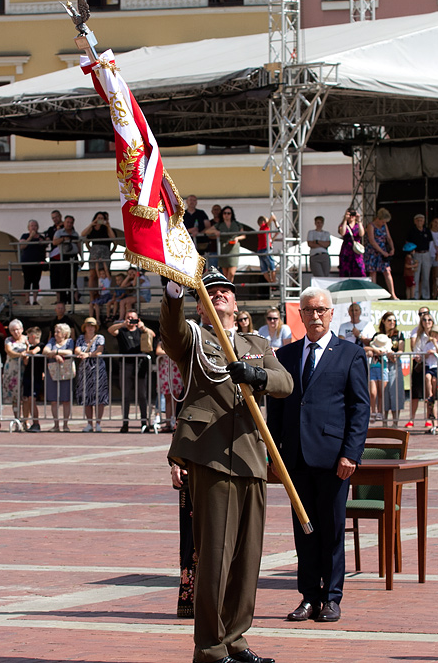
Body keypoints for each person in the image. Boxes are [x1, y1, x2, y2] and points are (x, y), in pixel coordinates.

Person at [159, 267, 293, 663]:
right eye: (210, 292)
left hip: (251, 454)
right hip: (210, 455)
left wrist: (256, 375)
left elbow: (284, 383)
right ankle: (211, 649)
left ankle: (237, 640)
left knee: (247, 557)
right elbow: (171, 333)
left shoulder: (256, 342)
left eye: (225, 292)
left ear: (236, 303)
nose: (218, 295)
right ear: (200, 305)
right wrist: (171, 292)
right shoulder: (195, 339)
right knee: (215, 556)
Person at [268, 286, 368, 625]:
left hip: (333, 459)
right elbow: (277, 411)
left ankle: (332, 598)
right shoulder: (287, 355)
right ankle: (309, 596)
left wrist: (351, 454)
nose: (314, 316)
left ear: (331, 313)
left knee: (332, 530)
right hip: (296, 458)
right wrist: (275, 455)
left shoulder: (350, 354)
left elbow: (359, 409)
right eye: (308, 310)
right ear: (300, 314)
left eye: (320, 310)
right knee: (304, 531)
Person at [110, 310, 155, 433]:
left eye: (133, 318)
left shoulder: (141, 330)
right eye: (128, 317)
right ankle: (125, 423)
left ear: (138, 319)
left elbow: (153, 335)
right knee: (125, 395)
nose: (130, 319)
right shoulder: (122, 331)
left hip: (140, 366)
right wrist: (122, 324)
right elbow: (111, 330)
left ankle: (144, 423)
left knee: (142, 395)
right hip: (126, 365)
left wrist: (143, 327)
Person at [170, 461, 196, 618]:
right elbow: (179, 435)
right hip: (192, 466)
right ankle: (191, 599)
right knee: (191, 538)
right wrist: (176, 463)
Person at [75, 317, 109, 432]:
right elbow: (77, 350)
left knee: (99, 397)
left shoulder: (99, 338)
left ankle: (98, 423)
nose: (90, 328)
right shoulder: (80, 338)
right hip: (85, 371)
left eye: (92, 326)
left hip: (98, 370)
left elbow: (99, 351)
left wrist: (88, 355)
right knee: (87, 397)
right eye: (88, 325)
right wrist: (81, 353)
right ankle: (89, 423)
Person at [43, 323, 74, 431]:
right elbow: (45, 351)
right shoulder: (52, 341)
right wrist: (55, 356)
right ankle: (56, 425)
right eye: (55, 331)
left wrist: (56, 351)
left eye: (58, 332)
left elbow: (70, 352)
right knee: (54, 400)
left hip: (65, 372)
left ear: (65, 333)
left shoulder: (70, 341)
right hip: (52, 372)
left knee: (66, 399)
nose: (55, 334)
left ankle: (65, 425)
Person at [365, 208, 397, 299]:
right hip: (373, 251)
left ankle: (392, 294)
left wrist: (392, 248)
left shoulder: (384, 226)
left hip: (383, 250)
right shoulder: (371, 226)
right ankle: (373, 295)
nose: (383, 223)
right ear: (378, 218)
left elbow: (389, 238)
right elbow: (372, 241)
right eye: (382, 221)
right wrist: (382, 252)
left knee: (387, 271)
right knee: (373, 272)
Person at [81, 211, 113, 301]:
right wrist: (92, 224)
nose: (100, 220)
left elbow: (113, 238)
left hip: (104, 252)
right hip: (94, 252)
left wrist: (108, 226)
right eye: (98, 218)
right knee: (92, 274)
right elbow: (83, 234)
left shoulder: (106, 228)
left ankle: (103, 295)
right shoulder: (92, 228)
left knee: (104, 273)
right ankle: (92, 297)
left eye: (101, 218)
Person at [3, 320, 27, 429]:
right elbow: (9, 351)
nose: (16, 332)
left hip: (25, 369)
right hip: (12, 370)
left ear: (22, 329)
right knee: (15, 397)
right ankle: (17, 418)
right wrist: (19, 354)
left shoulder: (26, 339)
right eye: (13, 330)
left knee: (25, 396)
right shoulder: (8, 340)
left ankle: (25, 420)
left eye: (17, 329)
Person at [51, 215, 80, 303]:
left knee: (73, 278)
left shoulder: (75, 233)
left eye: (71, 222)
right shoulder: (59, 232)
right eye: (67, 222)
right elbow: (54, 242)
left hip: (74, 256)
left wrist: (81, 257)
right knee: (63, 278)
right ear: (64, 222)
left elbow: (78, 245)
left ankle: (73, 299)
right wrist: (63, 239)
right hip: (64, 257)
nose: (69, 224)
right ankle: (63, 299)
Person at [405, 213, 434, 299]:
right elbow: (407, 243)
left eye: (421, 220)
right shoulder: (411, 231)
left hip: (426, 254)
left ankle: (426, 296)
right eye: (418, 220)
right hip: (416, 254)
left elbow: (431, 243)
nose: (419, 222)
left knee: (426, 276)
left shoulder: (427, 231)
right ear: (415, 221)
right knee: (415, 276)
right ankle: (415, 296)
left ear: (424, 221)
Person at [19, 220, 47, 305]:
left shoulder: (41, 237)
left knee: (36, 281)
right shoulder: (25, 236)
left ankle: (35, 300)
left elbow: (45, 246)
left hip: (38, 263)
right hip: (27, 262)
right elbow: (22, 246)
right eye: (32, 226)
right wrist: (30, 237)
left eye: (35, 225)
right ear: (28, 227)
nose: (33, 227)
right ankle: (27, 300)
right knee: (27, 281)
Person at [22, 327, 44, 432]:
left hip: (36, 376)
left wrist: (27, 351)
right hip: (28, 375)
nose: (28, 339)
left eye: (29, 337)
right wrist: (27, 349)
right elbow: (26, 362)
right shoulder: (29, 348)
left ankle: (36, 422)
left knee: (32, 400)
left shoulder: (40, 346)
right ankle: (28, 421)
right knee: (27, 399)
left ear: (33, 337)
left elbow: (34, 352)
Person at [217, 205, 245, 282]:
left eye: (229, 213)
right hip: (224, 248)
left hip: (234, 249)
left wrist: (237, 238)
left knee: (231, 273)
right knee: (225, 274)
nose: (226, 215)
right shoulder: (219, 224)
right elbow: (208, 231)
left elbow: (243, 235)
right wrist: (215, 232)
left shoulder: (237, 224)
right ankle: (227, 290)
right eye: (225, 213)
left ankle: (230, 290)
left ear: (231, 214)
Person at [337, 208, 365, 278]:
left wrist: (359, 220)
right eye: (350, 214)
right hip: (347, 249)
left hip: (356, 250)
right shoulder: (343, 225)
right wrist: (345, 220)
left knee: (359, 268)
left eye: (353, 214)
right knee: (345, 269)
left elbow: (361, 234)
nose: (352, 217)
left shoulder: (358, 225)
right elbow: (342, 233)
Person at [256, 214, 279, 284]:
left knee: (264, 269)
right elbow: (273, 217)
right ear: (263, 222)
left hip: (260, 250)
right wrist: (276, 223)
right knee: (272, 266)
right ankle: (274, 281)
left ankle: (270, 282)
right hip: (266, 249)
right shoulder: (264, 227)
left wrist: (275, 235)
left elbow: (270, 240)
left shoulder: (261, 230)